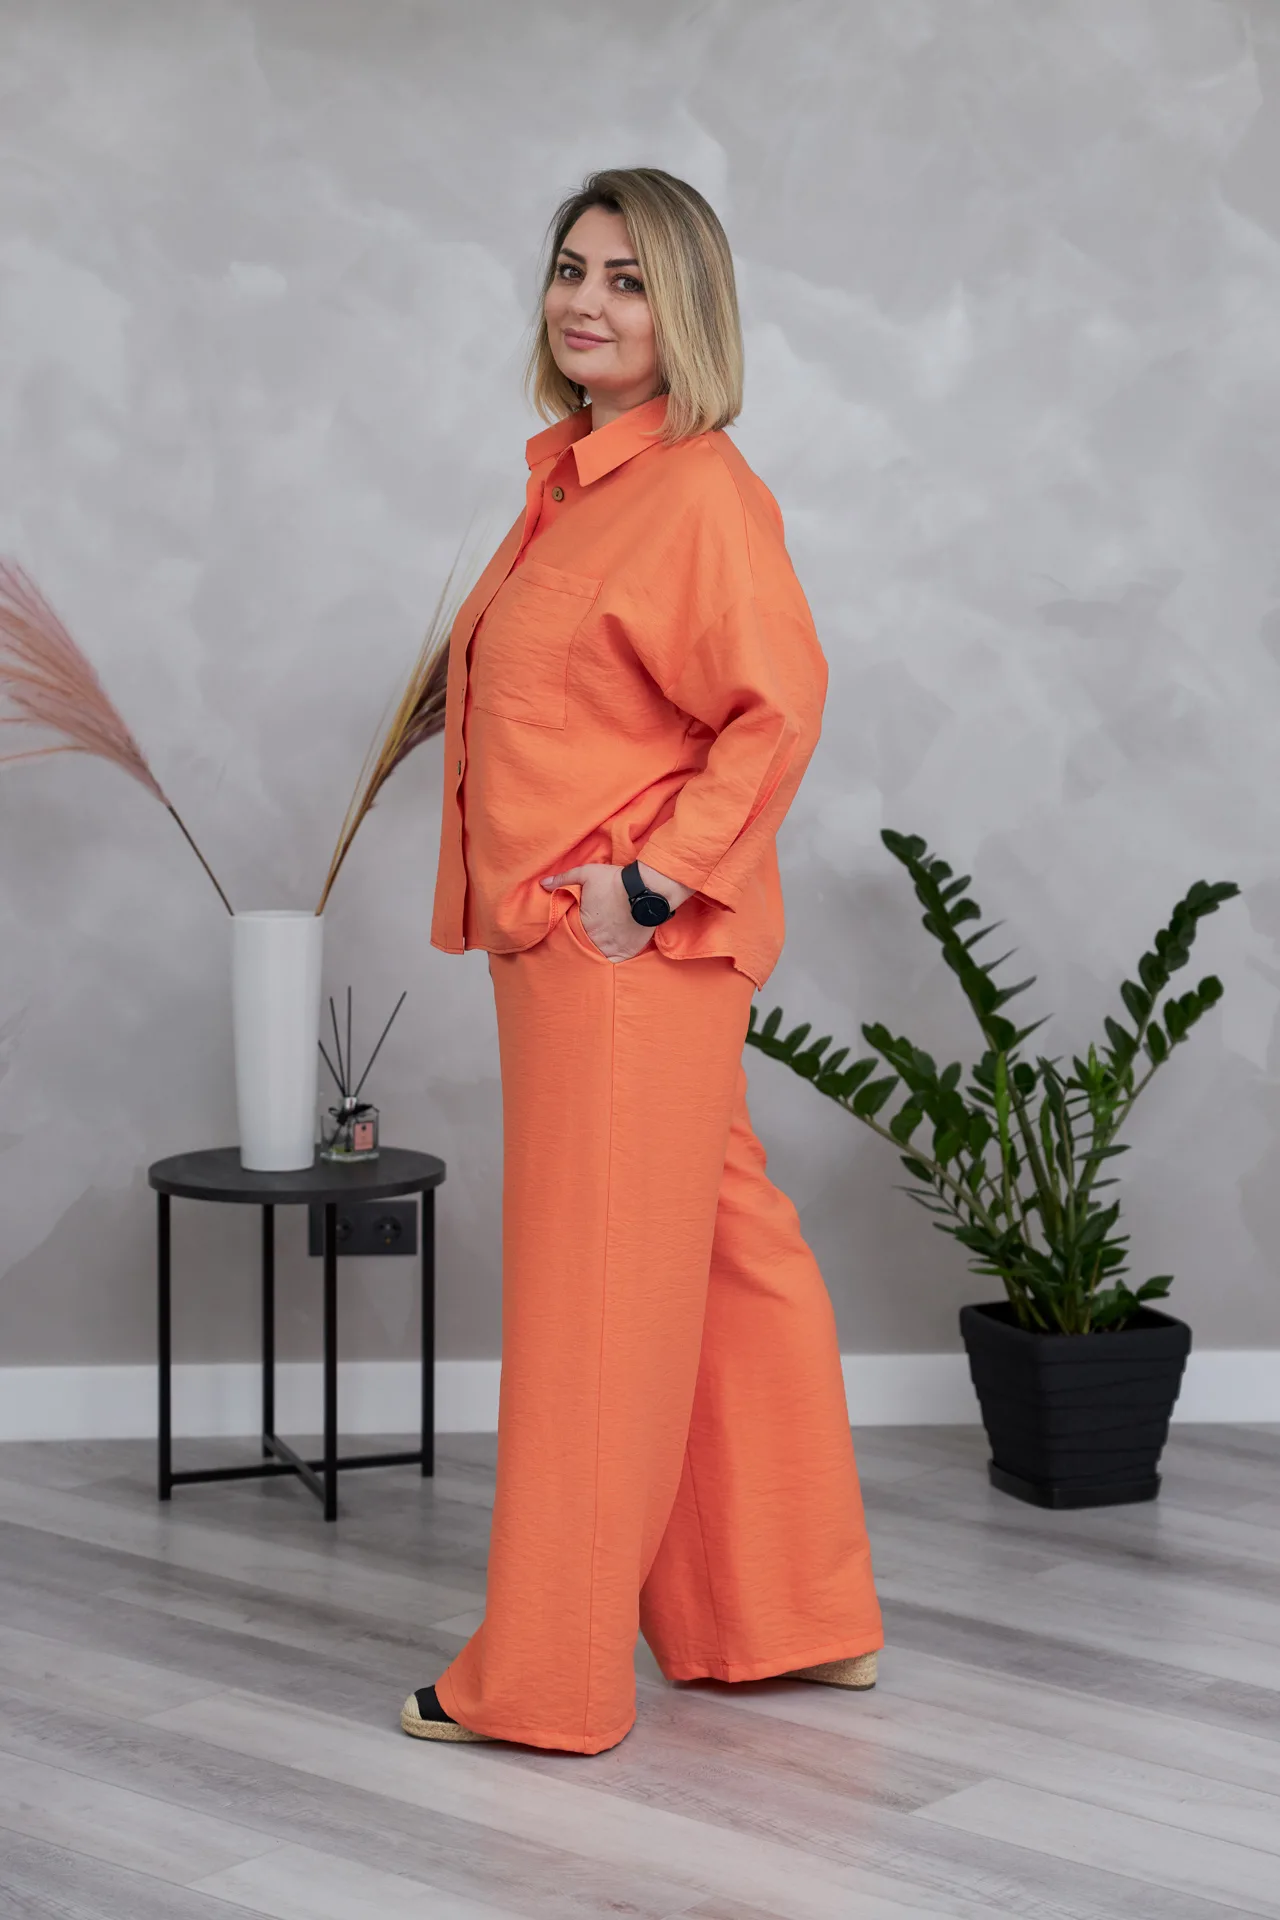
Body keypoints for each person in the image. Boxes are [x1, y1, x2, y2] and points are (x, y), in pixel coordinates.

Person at [402, 166, 883, 1755]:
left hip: (617, 959)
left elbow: (776, 707)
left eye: (625, 279)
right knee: (726, 1263)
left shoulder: (696, 493)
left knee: (595, 1300)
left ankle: (547, 1681)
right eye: (570, 269)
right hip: (584, 953)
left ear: (687, 313)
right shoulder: (574, 483)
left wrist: (655, 885)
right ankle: (790, 1616)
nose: (585, 302)